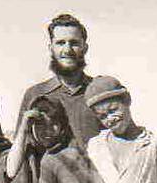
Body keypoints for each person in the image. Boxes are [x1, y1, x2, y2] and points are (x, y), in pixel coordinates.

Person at [16, 13, 102, 152]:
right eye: (61, 43)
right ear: (51, 48)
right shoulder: (35, 94)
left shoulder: (99, 91)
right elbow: (23, 153)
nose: (67, 50)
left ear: (85, 48)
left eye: (74, 43)